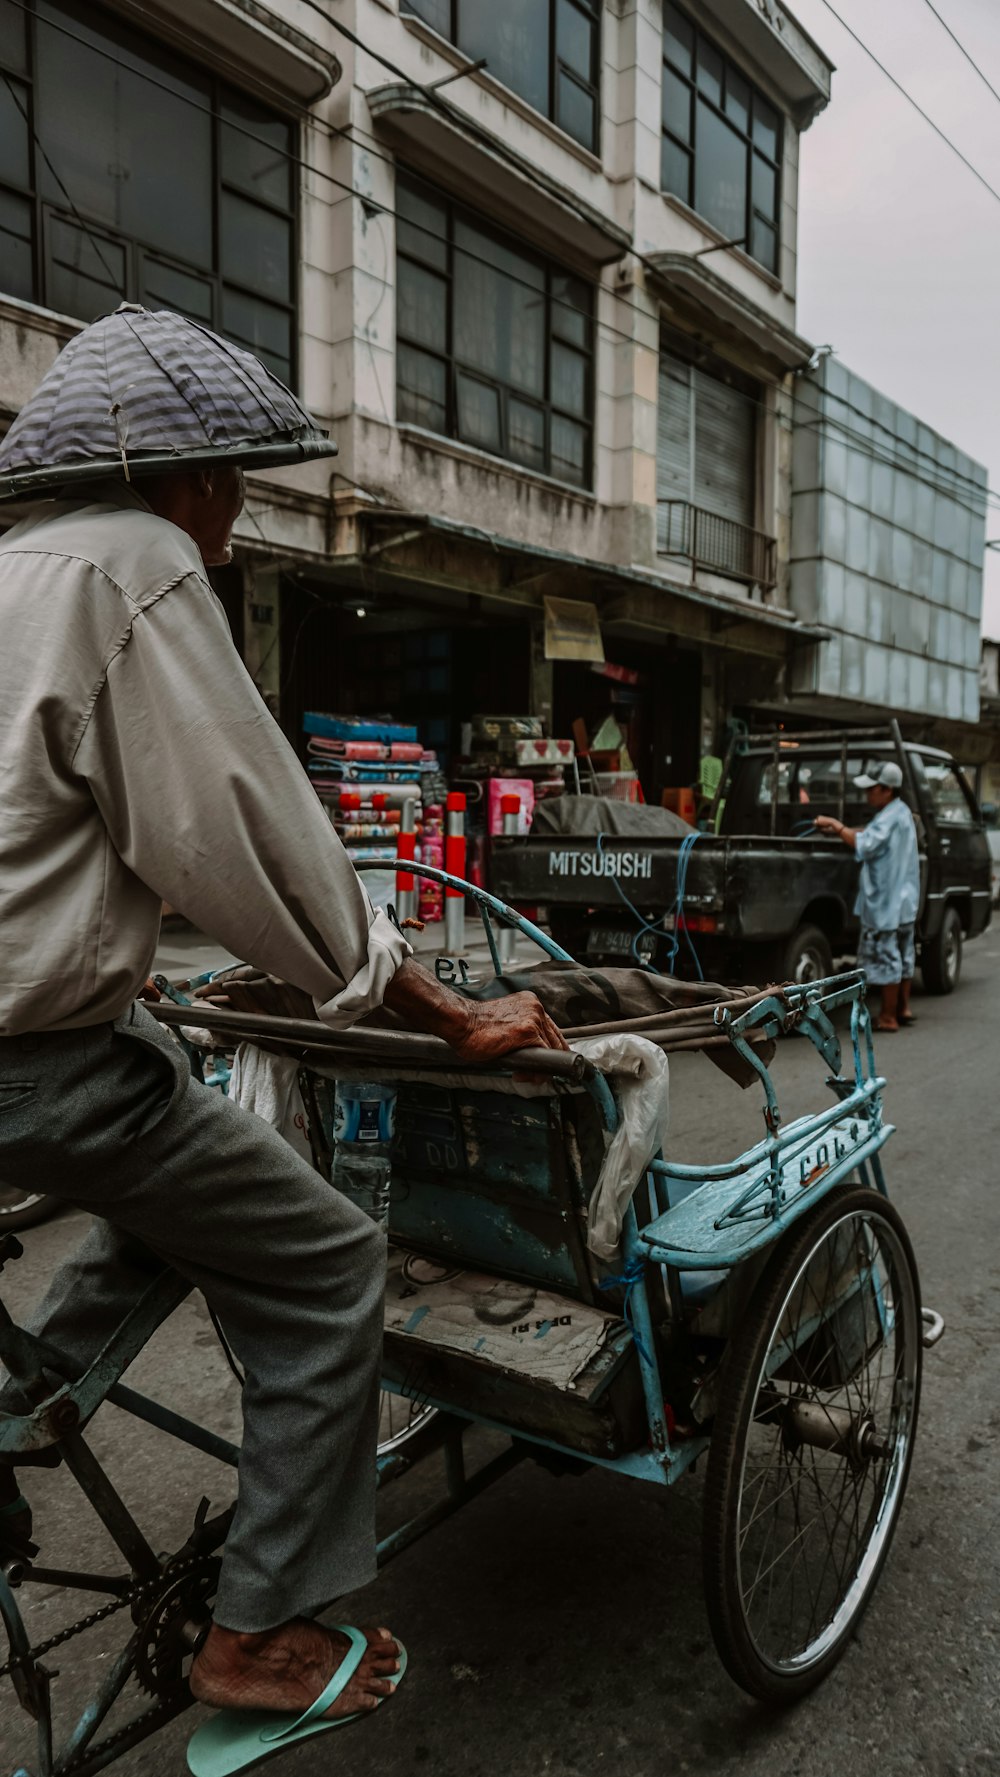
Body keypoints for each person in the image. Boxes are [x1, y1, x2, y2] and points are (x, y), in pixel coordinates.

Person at [0, 306, 566, 1730]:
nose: (237, 530)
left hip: (54, 1048)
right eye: (236, 491)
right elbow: (257, 846)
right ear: (185, 479)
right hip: (39, 1070)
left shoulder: (11, 568)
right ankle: (260, 1637)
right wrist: (445, 1013)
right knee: (325, 1258)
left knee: (171, 1157)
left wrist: (116, 961)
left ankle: (42, 1393)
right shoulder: (131, 565)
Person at [814, 762, 921, 1031]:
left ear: (887, 790)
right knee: (904, 953)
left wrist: (838, 827)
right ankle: (903, 1008)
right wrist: (844, 830)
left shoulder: (889, 816)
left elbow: (866, 843)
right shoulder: (900, 811)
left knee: (887, 956)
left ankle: (888, 1016)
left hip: (887, 901)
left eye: (872, 789)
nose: (867, 795)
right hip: (904, 901)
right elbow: (872, 833)